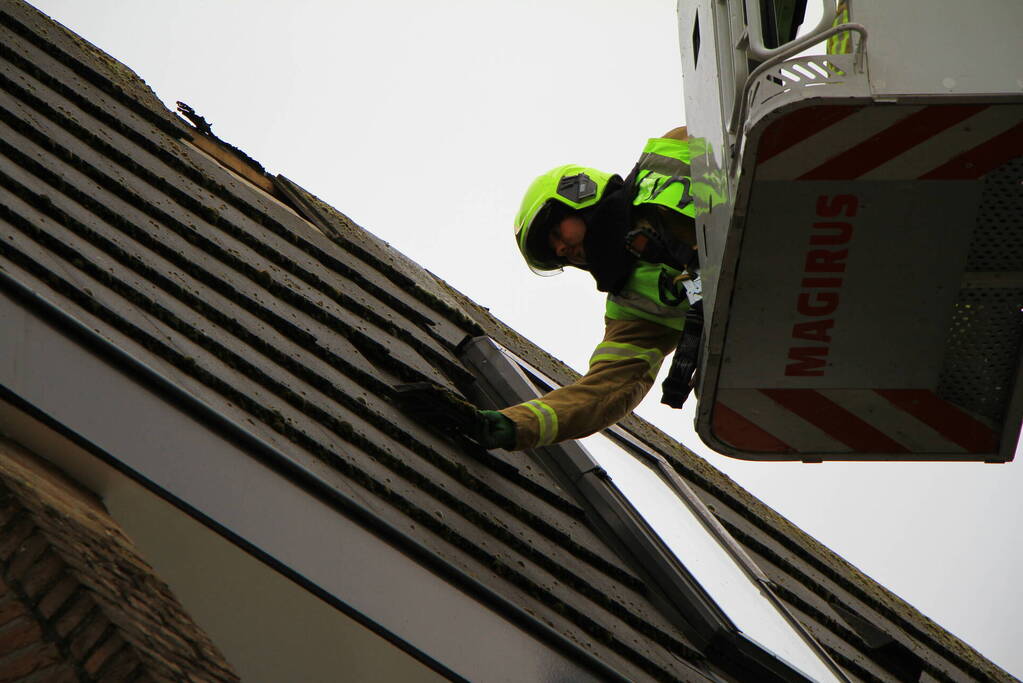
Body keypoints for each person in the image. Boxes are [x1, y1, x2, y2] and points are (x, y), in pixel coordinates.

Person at [469, 127, 705, 451]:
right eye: (555, 254)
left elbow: (734, 128)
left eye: (555, 233)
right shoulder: (632, 307)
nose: (561, 250)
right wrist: (515, 425)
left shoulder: (665, 158)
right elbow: (603, 392)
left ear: (577, 193)